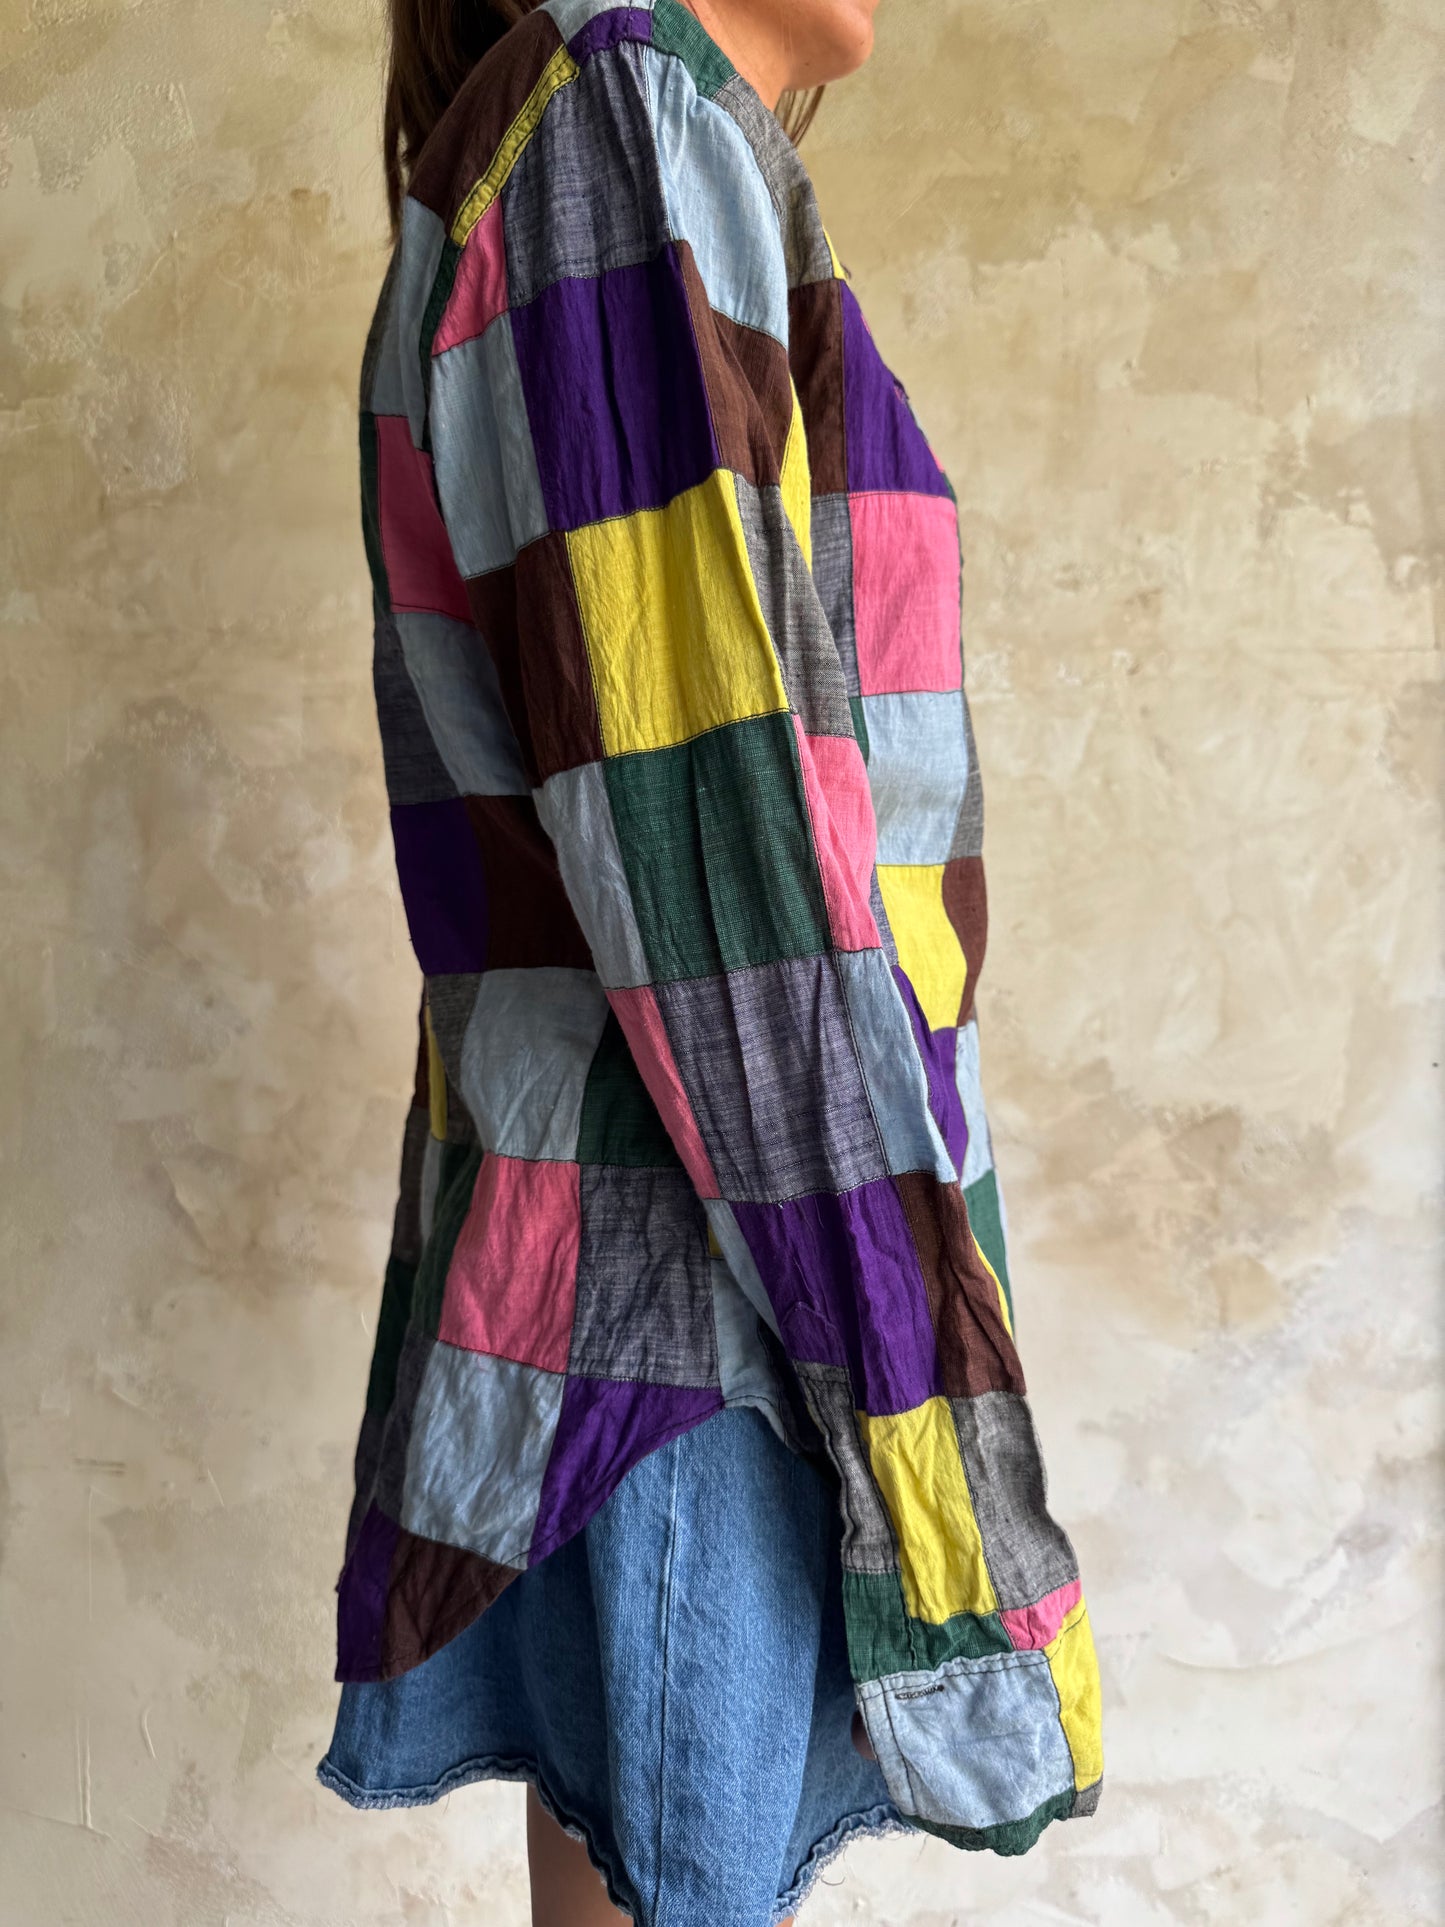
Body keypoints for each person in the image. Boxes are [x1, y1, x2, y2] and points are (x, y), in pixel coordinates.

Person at [315, 1, 1104, 1921]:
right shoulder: (619, 123)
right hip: (709, 1310)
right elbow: (733, 898)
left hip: (694, 1298)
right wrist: (931, 1465)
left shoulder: (614, 135)